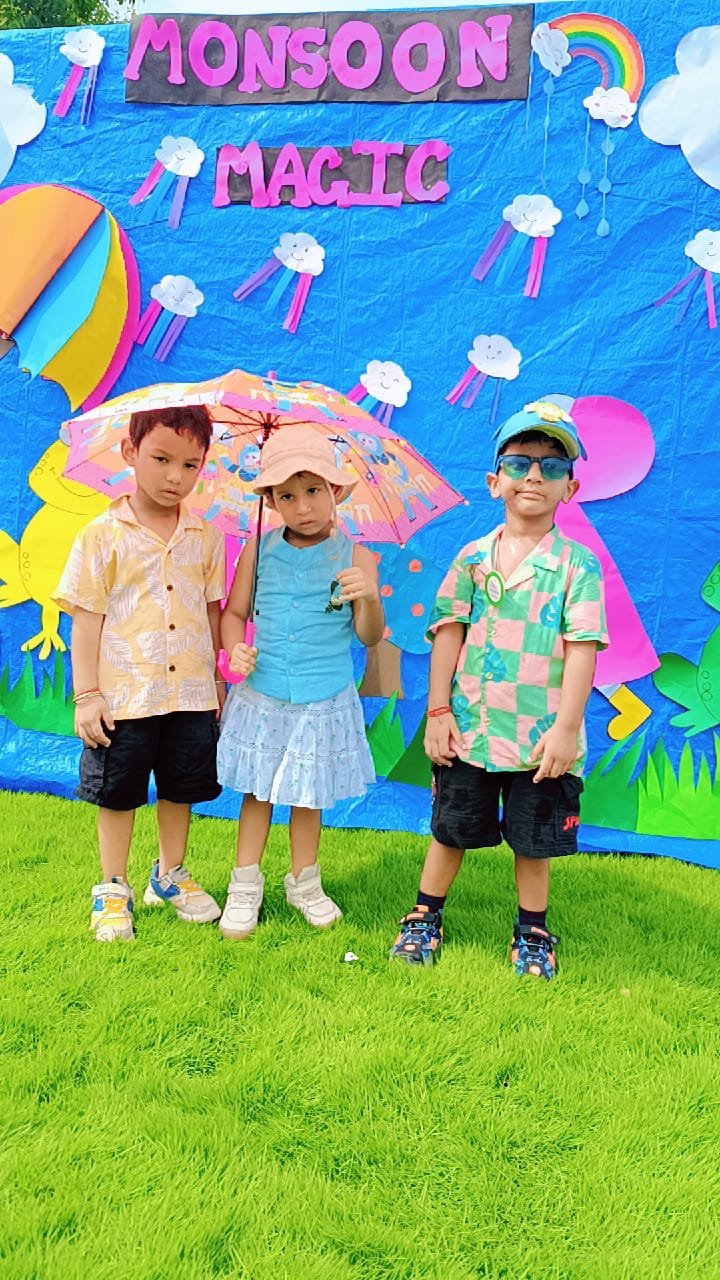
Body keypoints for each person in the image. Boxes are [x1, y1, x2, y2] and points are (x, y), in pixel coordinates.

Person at [389, 401, 608, 979]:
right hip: (472, 731)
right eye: (519, 463)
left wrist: (566, 730)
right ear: (495, 482)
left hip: (540, 739)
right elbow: (448, 633)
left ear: (570, 488)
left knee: (534, 841)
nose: (534, 475)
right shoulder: (471, 559)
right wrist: (439, 711)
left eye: (552, 466)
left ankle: (532, 931)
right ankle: (424, 916)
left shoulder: (577, 566)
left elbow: (583, 648)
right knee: (451, 829)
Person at [55, 406, 227, 942]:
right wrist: (87, 694)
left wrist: (219, 681)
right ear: (130, 452)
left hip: (191, 692)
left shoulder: (207, 536)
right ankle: (112, 886)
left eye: (190, 465)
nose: (175, 476)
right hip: (124, 696)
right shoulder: (101, 535)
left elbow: (213, 613)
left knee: (181, 787)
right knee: (118, 791)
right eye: (161, 459)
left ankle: (169, 873)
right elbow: (86, 620)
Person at [217, 426, 384, 938]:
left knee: (307, 795)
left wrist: (368, 597)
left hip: (322, 694)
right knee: (258, 792)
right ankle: (245, 884)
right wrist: (234, 648)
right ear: (269, 501)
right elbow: (234, 613)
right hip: (265, 692)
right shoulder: (258, 550)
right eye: (287, 496)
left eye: (313, 491)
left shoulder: (355, 557)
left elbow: (369, 636)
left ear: (335, 492)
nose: (303, 506)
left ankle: (304, 882)